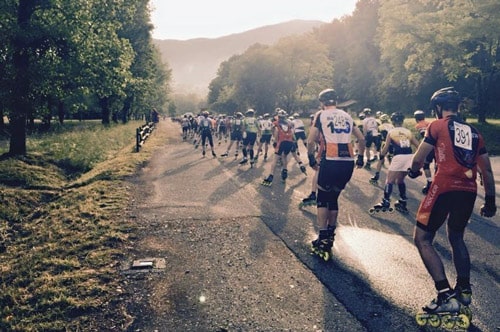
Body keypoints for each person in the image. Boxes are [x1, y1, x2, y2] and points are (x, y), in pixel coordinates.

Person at [408, 87, 496, 322]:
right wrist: (490, 202)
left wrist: (414, 171)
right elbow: (486, 170)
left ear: (438, 108)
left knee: (422, 238)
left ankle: (445, 296)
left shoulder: (436, 126)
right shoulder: (475, 132)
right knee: (456, 236)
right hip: (469, 191)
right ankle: (464, 291)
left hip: (444, 186)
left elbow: (419, 157)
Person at [306, 88, 365, 260]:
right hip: (348, 161)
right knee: (333, 198)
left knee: (323, 198)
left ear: (322, 103)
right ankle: (331, 234)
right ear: (336, 101)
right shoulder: (347, 116)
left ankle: (323, 237)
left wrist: (310, 157)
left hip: (330, 159)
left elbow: (311, 139)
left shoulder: (321, 114)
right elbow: (361, 139)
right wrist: (361, 157)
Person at [369, 112, 420, 214]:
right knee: (400, 181)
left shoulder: (391, 132)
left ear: (392, 121)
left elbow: (386, 148)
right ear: (402, 121)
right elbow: (418, 146)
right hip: (409, 157)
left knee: (389, 180)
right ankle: (402, 201)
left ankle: (386, 201)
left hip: (398, 157)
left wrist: (382, 155)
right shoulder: (408, 132)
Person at [261, 109, 297, 186]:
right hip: (289, 142)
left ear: (278, 116)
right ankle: (284, 171)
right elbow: (293, 132)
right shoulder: (289, 123)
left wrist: (275, 139)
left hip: (281, 142)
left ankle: (270, 177)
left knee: (275, 159)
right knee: (284, 156)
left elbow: (274, 130)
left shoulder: (275, 123)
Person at [414, 110, 435, 194]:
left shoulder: (418, 126)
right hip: (436, 146)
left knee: (426, 165)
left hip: (428, 146)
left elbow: (422, 136)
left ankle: (430, 182)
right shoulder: (429, 123)